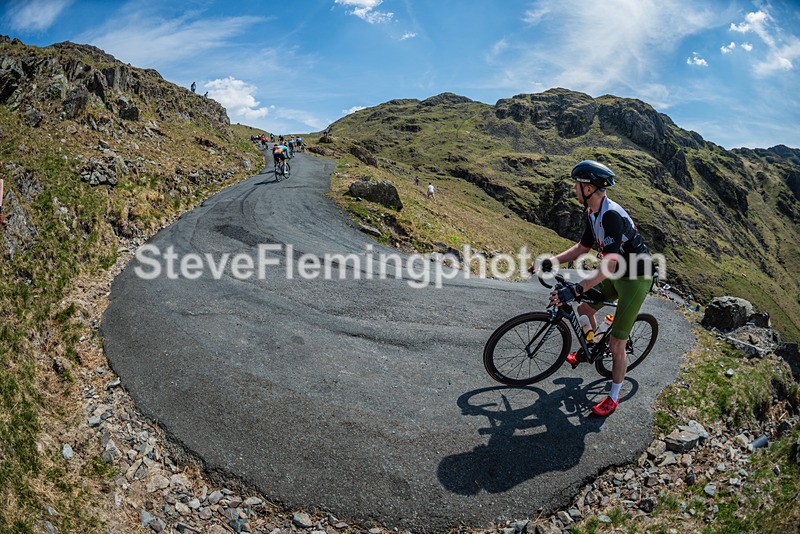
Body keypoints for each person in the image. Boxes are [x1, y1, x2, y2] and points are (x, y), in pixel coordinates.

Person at [532, 160, 652, 417]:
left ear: (588, 188)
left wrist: (577, 288)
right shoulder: (592, 212)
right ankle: (593, 344)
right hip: (618, 273)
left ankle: (613, 395)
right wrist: (551, 261)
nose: (575, 189)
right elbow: (582, 248)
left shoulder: (610, 215)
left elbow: (609, 263)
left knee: (618, 343)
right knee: (585, 308)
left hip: (636, 279)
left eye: (577, 185)